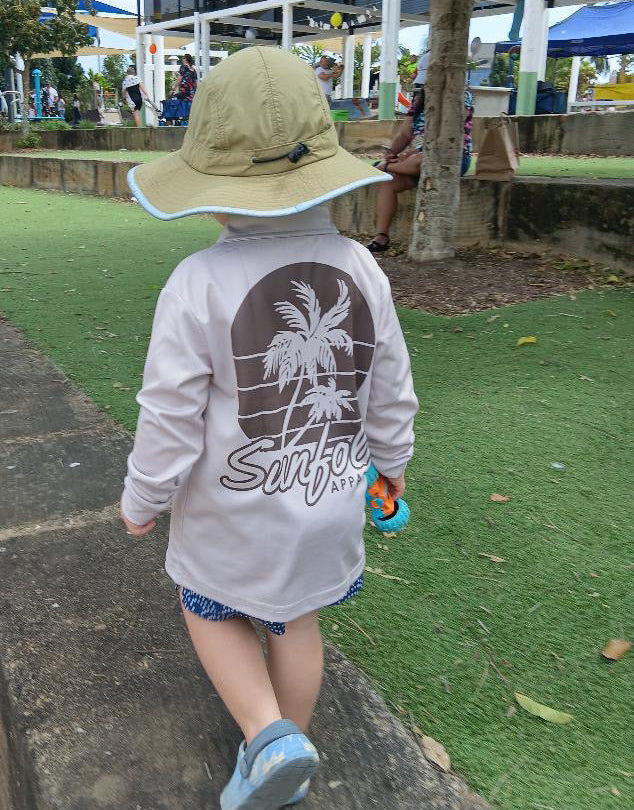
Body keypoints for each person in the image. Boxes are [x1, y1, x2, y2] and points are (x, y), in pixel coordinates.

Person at [121, 46, 417, 810]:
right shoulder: (362, 266)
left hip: (231, 514)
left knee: (207, 606)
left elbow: (170, 416)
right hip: (327, 503)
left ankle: (267, 734)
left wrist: (144, 497)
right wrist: (393, 462)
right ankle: (291, 746)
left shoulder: (197, 282)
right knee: (294, 621)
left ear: (214, 189)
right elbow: (390, 386)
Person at [366, 85, 474, 252]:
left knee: (420, 160)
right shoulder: (418, 101)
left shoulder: (461, 95)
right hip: (414, 161)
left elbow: (450, 129)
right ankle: (381, 235)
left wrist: (409, 154)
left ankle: (384, 167)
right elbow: (404, 135)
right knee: (389, 182)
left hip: (451, 158)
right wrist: (391, 153)